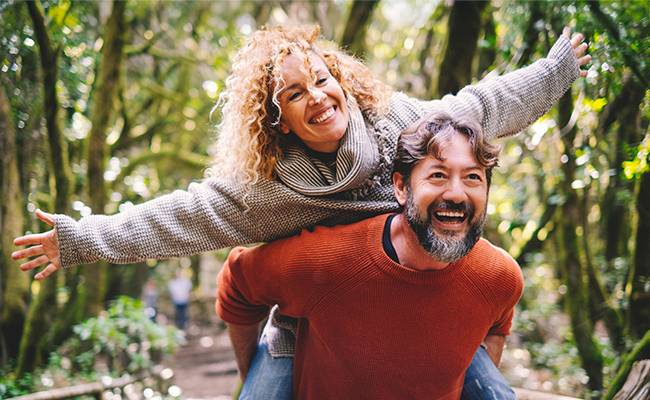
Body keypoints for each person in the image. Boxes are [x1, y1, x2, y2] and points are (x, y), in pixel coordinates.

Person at [12, 25, 590, 400]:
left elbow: (483, 105)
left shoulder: (398, 125)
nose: (316, 95)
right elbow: (180, 217)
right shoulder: (266, 191)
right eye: (294, 94)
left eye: (321, 78)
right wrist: (79, 239)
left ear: (341, 80)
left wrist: (558, 69)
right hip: (310, 316)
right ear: (279, 121)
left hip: (420, 296)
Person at [217, 111, 523, 399]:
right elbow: (237, 284)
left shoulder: (499, 276)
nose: (456, 194)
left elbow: (498, 324)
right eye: (438, 175)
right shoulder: (329, 261)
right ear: (401, 188)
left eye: (473, 177)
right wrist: (252, 378)